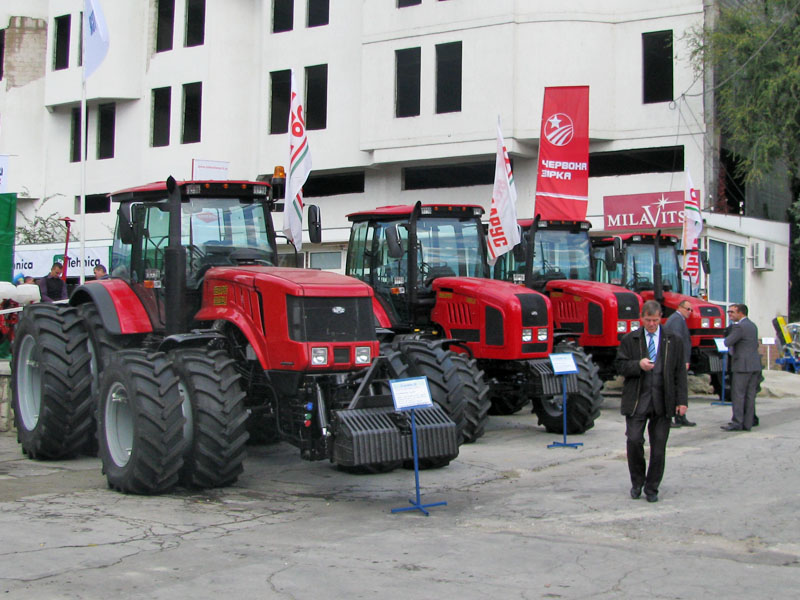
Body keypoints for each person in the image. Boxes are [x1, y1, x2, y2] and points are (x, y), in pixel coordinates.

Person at [616, 299, 688, 503]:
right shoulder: (631, 339)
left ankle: (652, 487)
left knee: (658, 447)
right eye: (648, 320)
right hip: (638, 400)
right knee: (634, 440)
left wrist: (682, 400)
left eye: (655, 320)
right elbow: (620, 366)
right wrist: (637, 365)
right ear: (642, 318)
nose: (652, 324)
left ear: (660, 319)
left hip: (663, 400)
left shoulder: (673, 340)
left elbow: (679, 373)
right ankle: (637, 482)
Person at [721, 303, 761, 431]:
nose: (730, 315)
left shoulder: (739, 327)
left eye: (732, 312)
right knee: (750, 395)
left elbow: (727, 342)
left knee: (738, 395)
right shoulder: (752, 326)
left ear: (741, 313)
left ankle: (737, 422)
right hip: (754, 365)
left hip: (742, 366)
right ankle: (747, 423)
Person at [664, 300, 697, 428]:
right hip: (677, 360)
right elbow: (679, 342)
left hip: (679, 359)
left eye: (691, 310)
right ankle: (673, 415)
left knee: (680, 388)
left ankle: (680, 416)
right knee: (676, 387)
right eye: (687, 309)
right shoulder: (676, 320)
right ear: (679, 307)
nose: (689, 312)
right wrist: (683, 360)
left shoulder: (680, 320)